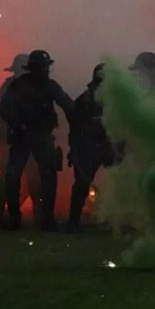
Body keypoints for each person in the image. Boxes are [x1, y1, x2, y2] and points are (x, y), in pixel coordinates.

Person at [0, 50, 72, 230]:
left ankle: (40, 217)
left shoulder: (26, 85)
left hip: (37, 136)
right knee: (19, 175)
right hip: (28, 136)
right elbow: (5, 108)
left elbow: (68, 105)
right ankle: (23, 217)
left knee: (35, 175)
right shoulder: (22, 85)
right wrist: (17, 124)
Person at [0, 54, 42, 226]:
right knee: (7, 176)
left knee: (33, 178)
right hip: (11, 139)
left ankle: (38, 216)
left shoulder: (32, 86)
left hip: (27, 139)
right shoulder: (10, 87)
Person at [65, 64, 115, 233]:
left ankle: (117, 219)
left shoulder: (116, 99)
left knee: (119, 181)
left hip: (109, 146)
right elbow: (75, 128)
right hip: (89, 147)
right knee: (82, 183)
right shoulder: (85, 100)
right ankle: (73, 222)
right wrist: (75, 151)